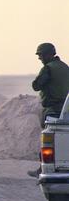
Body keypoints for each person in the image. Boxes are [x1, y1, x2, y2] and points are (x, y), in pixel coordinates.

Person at [28, 43, 69, 178]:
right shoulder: (65, 67)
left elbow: (36, 86)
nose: (40, 58)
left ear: (48, 54)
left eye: (41, 55)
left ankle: (43, 168)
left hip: (52, 110)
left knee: (48, 141)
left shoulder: (48, 69)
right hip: (66, 110)